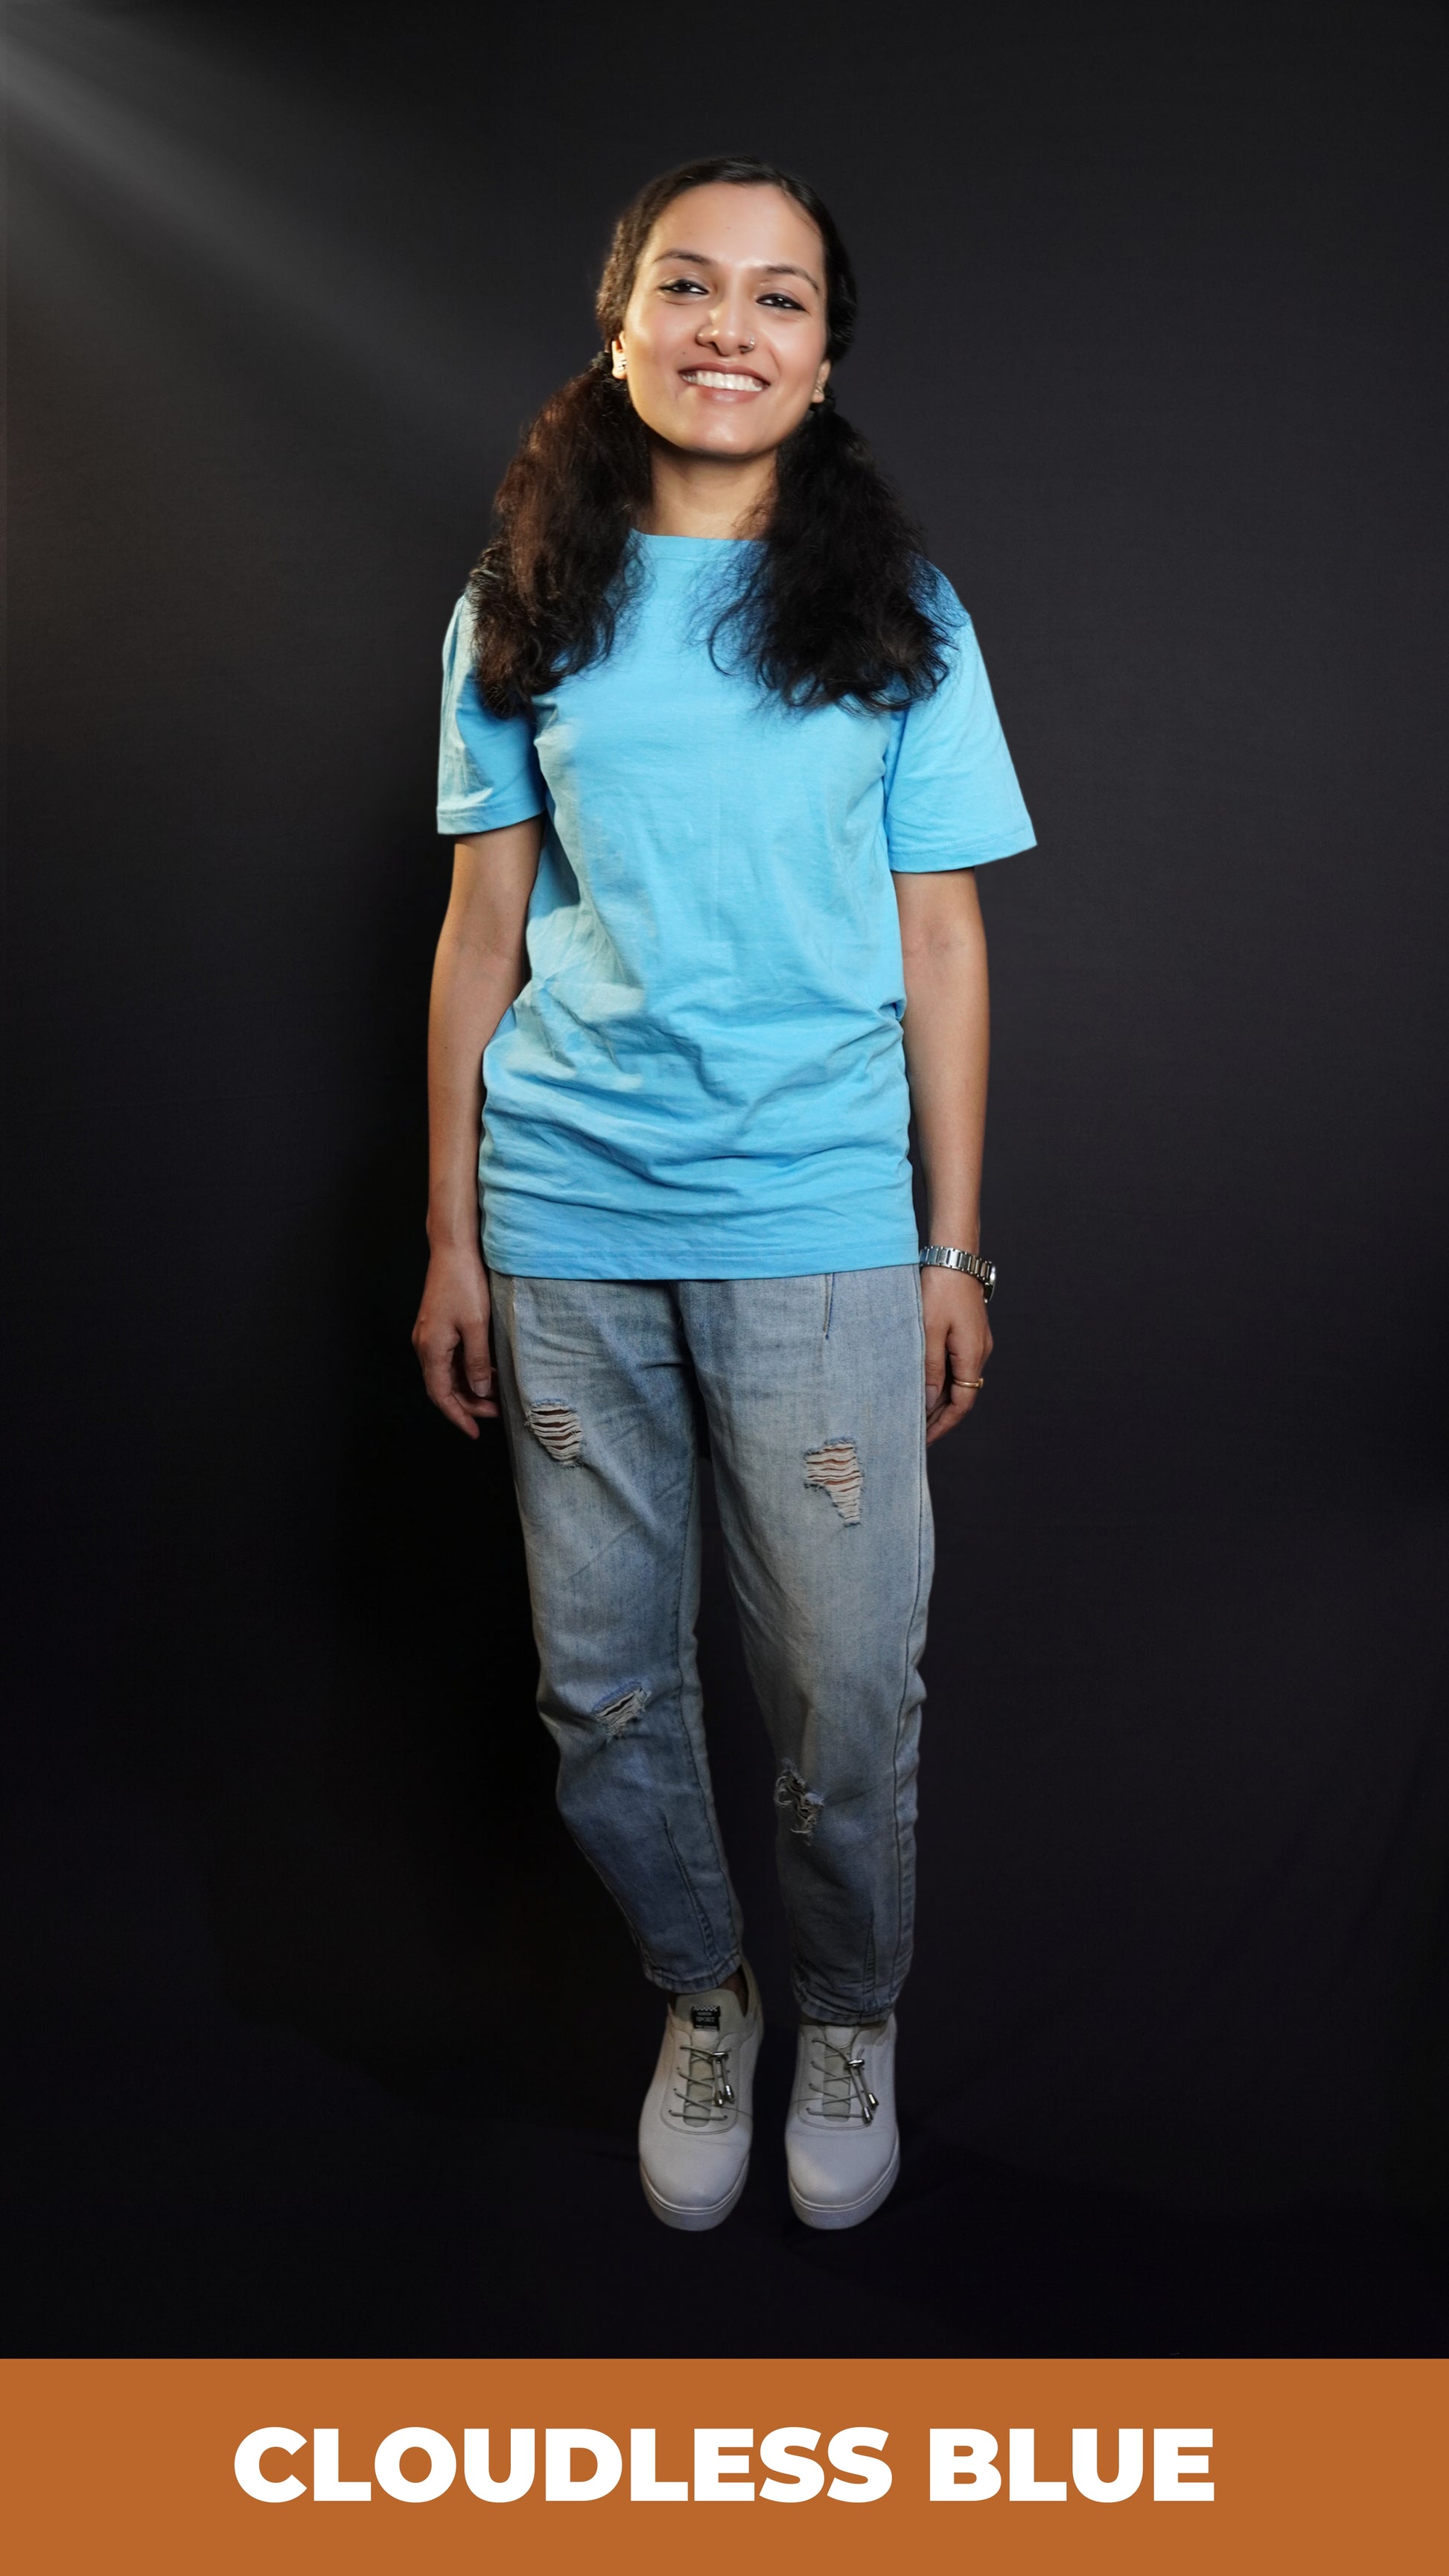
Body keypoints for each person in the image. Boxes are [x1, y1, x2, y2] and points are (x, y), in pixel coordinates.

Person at [413, 155, 1034, 2233]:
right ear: (619, 323)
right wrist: (449, 1234)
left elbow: (940, 942)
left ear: (822, 355)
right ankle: (706, 1992)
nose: (727, 328)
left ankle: (845, 2006)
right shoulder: (522, 601)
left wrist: (948, 1239)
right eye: (688, 286)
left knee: (845, 1689)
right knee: (598, 1681)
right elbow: (478, 931)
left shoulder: (894, 615)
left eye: (777, 300)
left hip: (818, 1218)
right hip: (569, 1207)